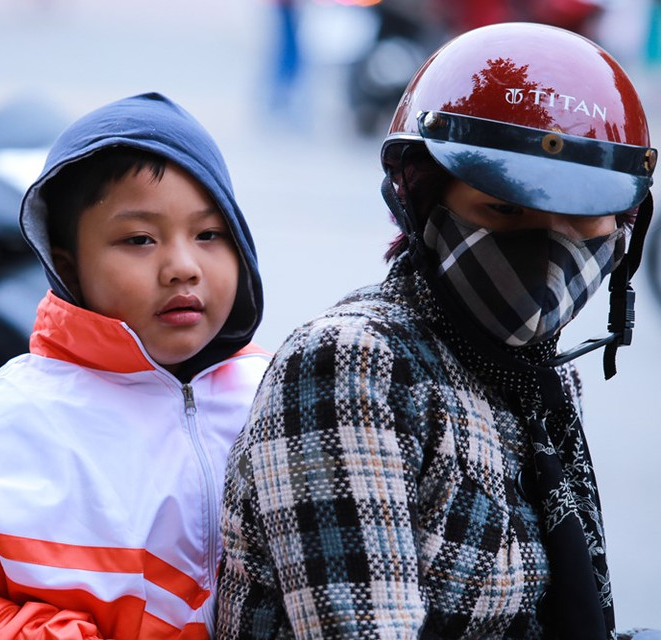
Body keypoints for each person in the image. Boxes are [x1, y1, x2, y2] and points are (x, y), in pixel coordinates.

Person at [216, 22, 658, 640]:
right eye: (506, 209)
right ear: (423, 203)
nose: (550, 244)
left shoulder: (537, 382)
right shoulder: (352, 366)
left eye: (582, 216)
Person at [0, 92, 269, 639]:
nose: (182, 267)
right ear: (68, 264)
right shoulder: (23, 416)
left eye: (209, 234)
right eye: (139, 239)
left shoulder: (275, 391)